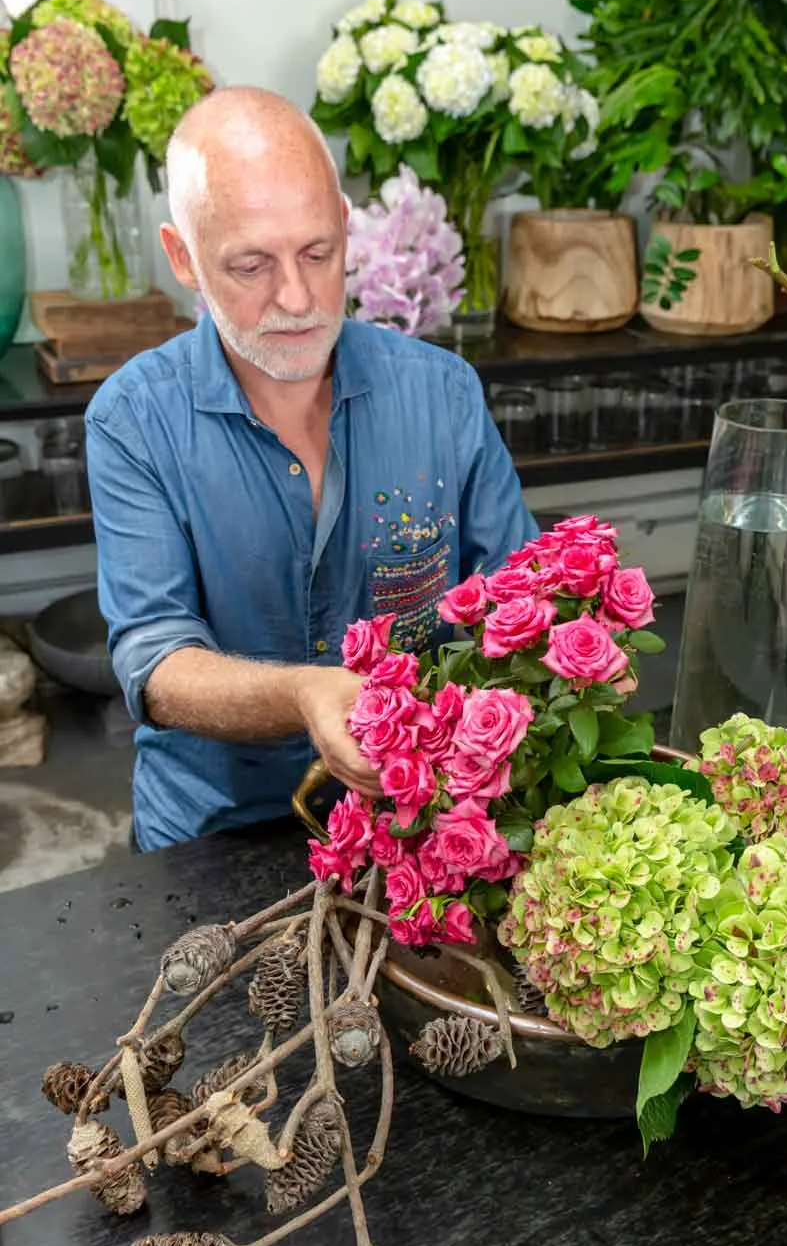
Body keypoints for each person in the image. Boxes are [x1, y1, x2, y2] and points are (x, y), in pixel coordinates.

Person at [85, 86, 536, 852]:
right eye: (251, 264)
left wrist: (581, 644)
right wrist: (303, 692)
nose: (295, 298)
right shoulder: (134, 420)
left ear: (346, 231)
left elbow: (517, 595)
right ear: (182, 258)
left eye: (318, 253)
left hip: (419, 819)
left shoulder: (442, 393)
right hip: (217, 831)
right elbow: (155, 659)